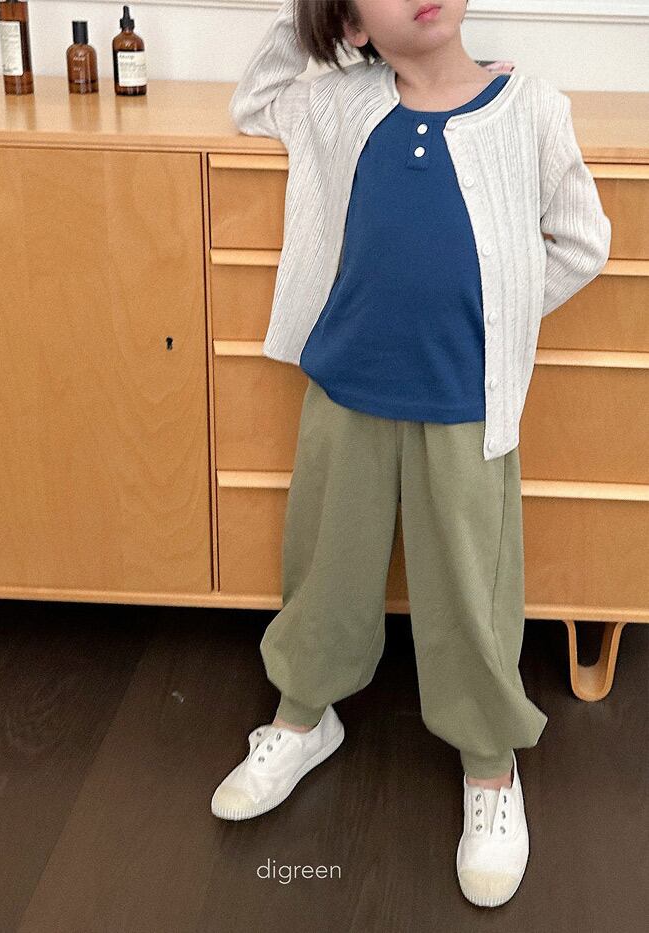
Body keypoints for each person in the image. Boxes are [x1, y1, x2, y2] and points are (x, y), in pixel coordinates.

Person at [212, 0, 611, 909]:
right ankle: (302, 717)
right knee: (325, 564)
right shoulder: (341, 102)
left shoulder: (531, 108)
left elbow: (585, 241)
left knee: (471, 585)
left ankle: (489, 763)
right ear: (354, 26)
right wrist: (310, 21)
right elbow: (254, 101)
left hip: (463, 400)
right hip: (345, 386)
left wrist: (502, 311)